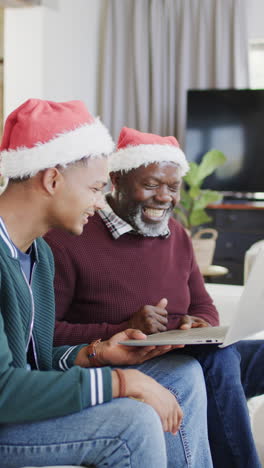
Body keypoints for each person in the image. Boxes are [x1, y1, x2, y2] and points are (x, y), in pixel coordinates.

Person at [0, 101, 214, 468]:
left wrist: (95, 354)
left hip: (20, 409)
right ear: (52, 180)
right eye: (96, 189)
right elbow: (4, 390)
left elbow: (36, 361)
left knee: (182, 373)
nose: (101, 204)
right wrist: (121, 382)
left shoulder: (38, 256)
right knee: (131, 422)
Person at [46, 126, 264, 468]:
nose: (164, 197)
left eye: (172, 187)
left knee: (239, 356)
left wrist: (199, 322)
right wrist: (124, 326)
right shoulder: (72, 235)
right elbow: (47, 335)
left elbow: (203, 304)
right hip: (127, 360)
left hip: (183, 351)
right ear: (115, 180)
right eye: (150, 185)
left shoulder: (177, 234)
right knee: (220, 363)